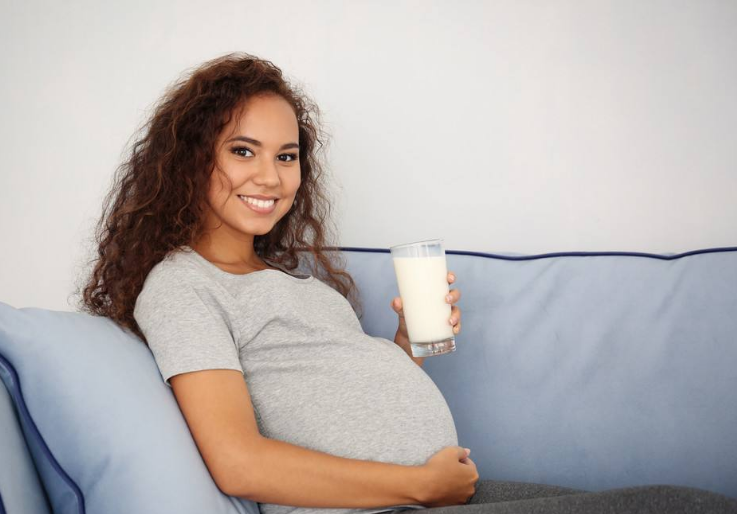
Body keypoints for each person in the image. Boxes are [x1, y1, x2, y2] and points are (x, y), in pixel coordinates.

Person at [78, 52, 737, 514]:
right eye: (242, 151)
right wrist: (417, 485)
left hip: (424, 497)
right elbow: (238, 462)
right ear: (193, 158)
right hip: (392, 505)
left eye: (286, 156)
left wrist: (404, 346)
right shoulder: (182, 285)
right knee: (682, 508)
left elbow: (328, 394)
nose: (271, 178)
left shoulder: (291, 279)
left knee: (693, 503)